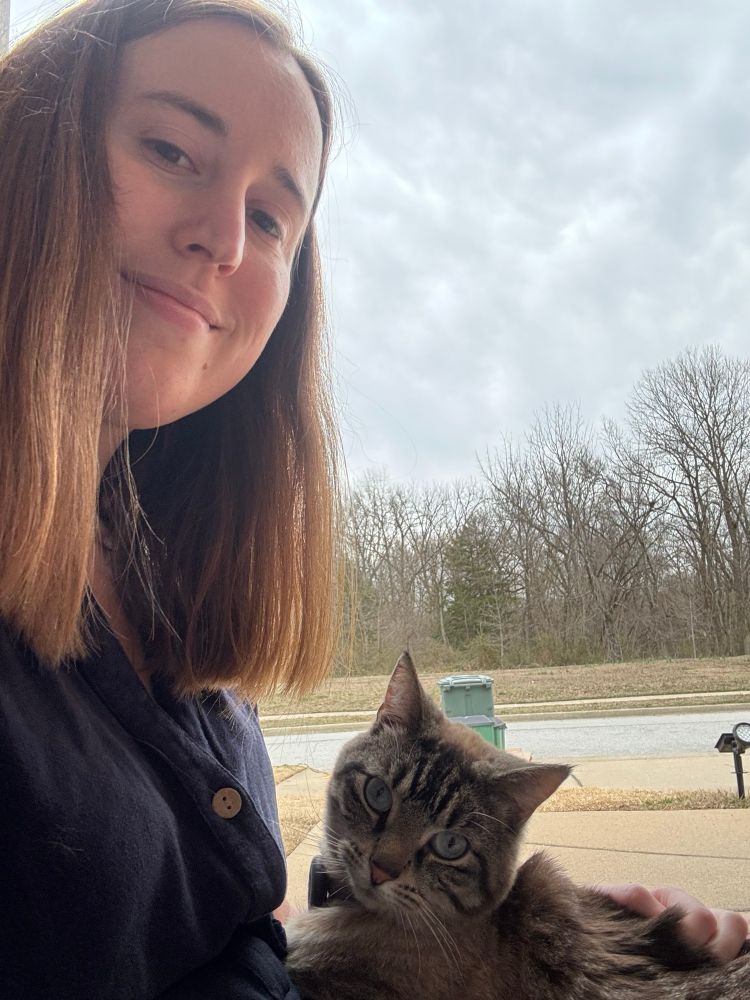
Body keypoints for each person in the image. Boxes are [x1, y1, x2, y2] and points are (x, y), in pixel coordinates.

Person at [0, 0, 746, 997]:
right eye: (173, 149)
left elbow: (230, 942)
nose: (225, 237)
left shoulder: (178, 576)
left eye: (272, 217)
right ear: (25, 146)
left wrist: (506, 960)